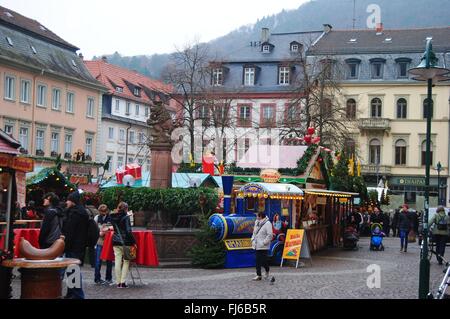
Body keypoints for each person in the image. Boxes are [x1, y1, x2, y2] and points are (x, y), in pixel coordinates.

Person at [62, 191, 89, 299]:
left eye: (68, 200)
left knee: (73, 270)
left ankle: (78, 295)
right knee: (71, 270)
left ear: (72, 201)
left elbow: (70, 231)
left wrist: (64, 243)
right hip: (78, 245)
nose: (66, 202)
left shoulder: (76, 213)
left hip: (74, 246)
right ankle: (71, 293)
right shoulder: (79, 211)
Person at [110, 202, 136, 288]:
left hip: (115, 241)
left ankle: (118, 282)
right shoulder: (126, 217)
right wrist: (134, 242)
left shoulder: (113, 217)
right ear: (126, 209)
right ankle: (123, 282)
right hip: (126, 242)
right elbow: (128, 231)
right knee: (126, 261)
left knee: (117, 261)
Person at [251, 212, 273, 281]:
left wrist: (264, 242)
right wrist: (252, 239)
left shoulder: (267, 223)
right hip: (256, 245)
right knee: (257, 260)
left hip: (263, 246)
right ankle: (258, 275)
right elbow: (254, 232)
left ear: (260, 216)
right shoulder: (256, 222)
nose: (256, 217)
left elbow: (270, 235)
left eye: (257, 215)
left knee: (263, 261)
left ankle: (267, 270)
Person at [94, 204, 113, 285]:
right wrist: (99, 233)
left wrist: (107, 229)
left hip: (108, 242)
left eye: (104, 212)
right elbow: (94, 229)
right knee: (98, 261)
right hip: (100, 241)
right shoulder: (96, 218)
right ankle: (97, 278)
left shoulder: (111, 218)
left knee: (109, 261)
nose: (103, 213)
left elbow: (113, 227)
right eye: (101, 212)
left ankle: (108, 278)